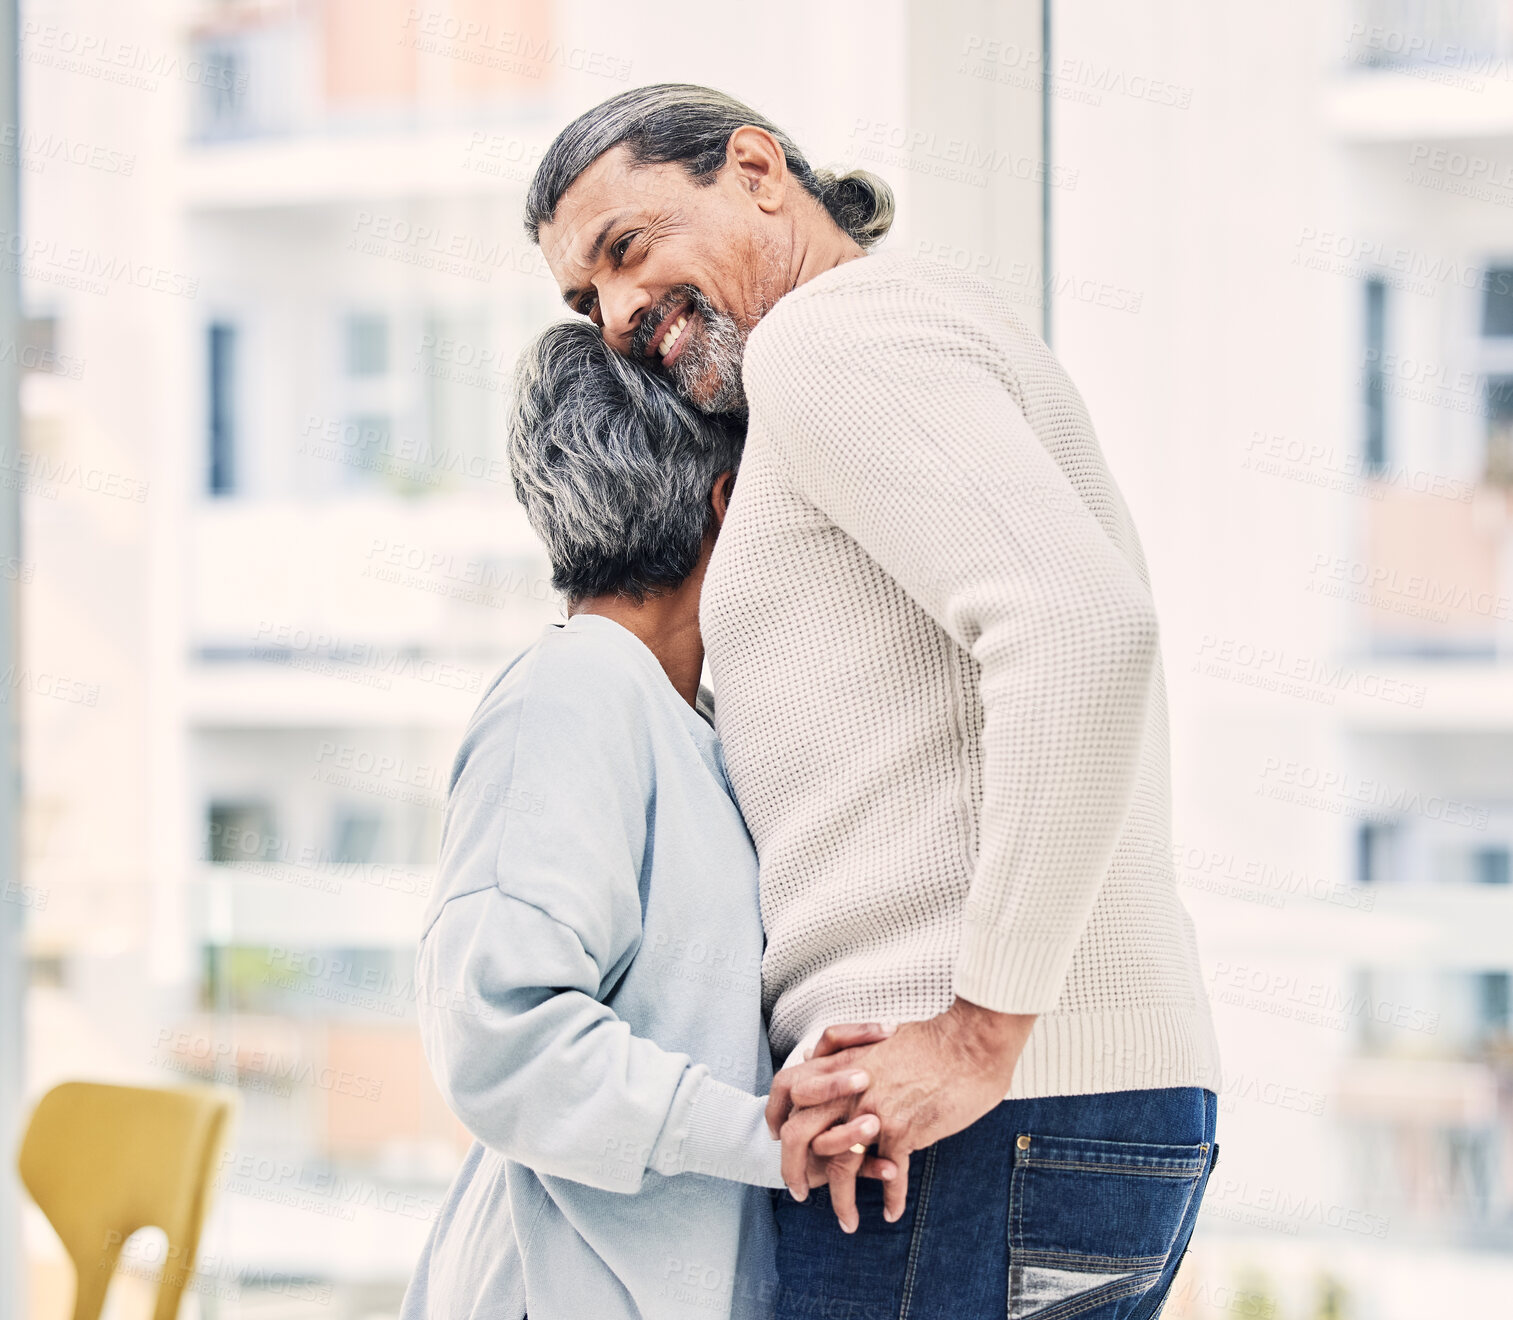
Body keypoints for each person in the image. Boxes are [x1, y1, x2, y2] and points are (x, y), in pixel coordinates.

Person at [526, 84, 1225, 1319]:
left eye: (627, 251)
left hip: (971, 1126)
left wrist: (975, 1037)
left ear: (753, 169)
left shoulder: (828, 340)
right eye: (586, 301)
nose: (621, 316)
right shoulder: (893, 340)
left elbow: (1079, 630)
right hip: (1040, 1118)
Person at [398, 320, 894, 1320]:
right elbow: (503, 1037)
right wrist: (768, 1131)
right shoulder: (574, 690)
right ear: (730, 505)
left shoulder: (689, 726)